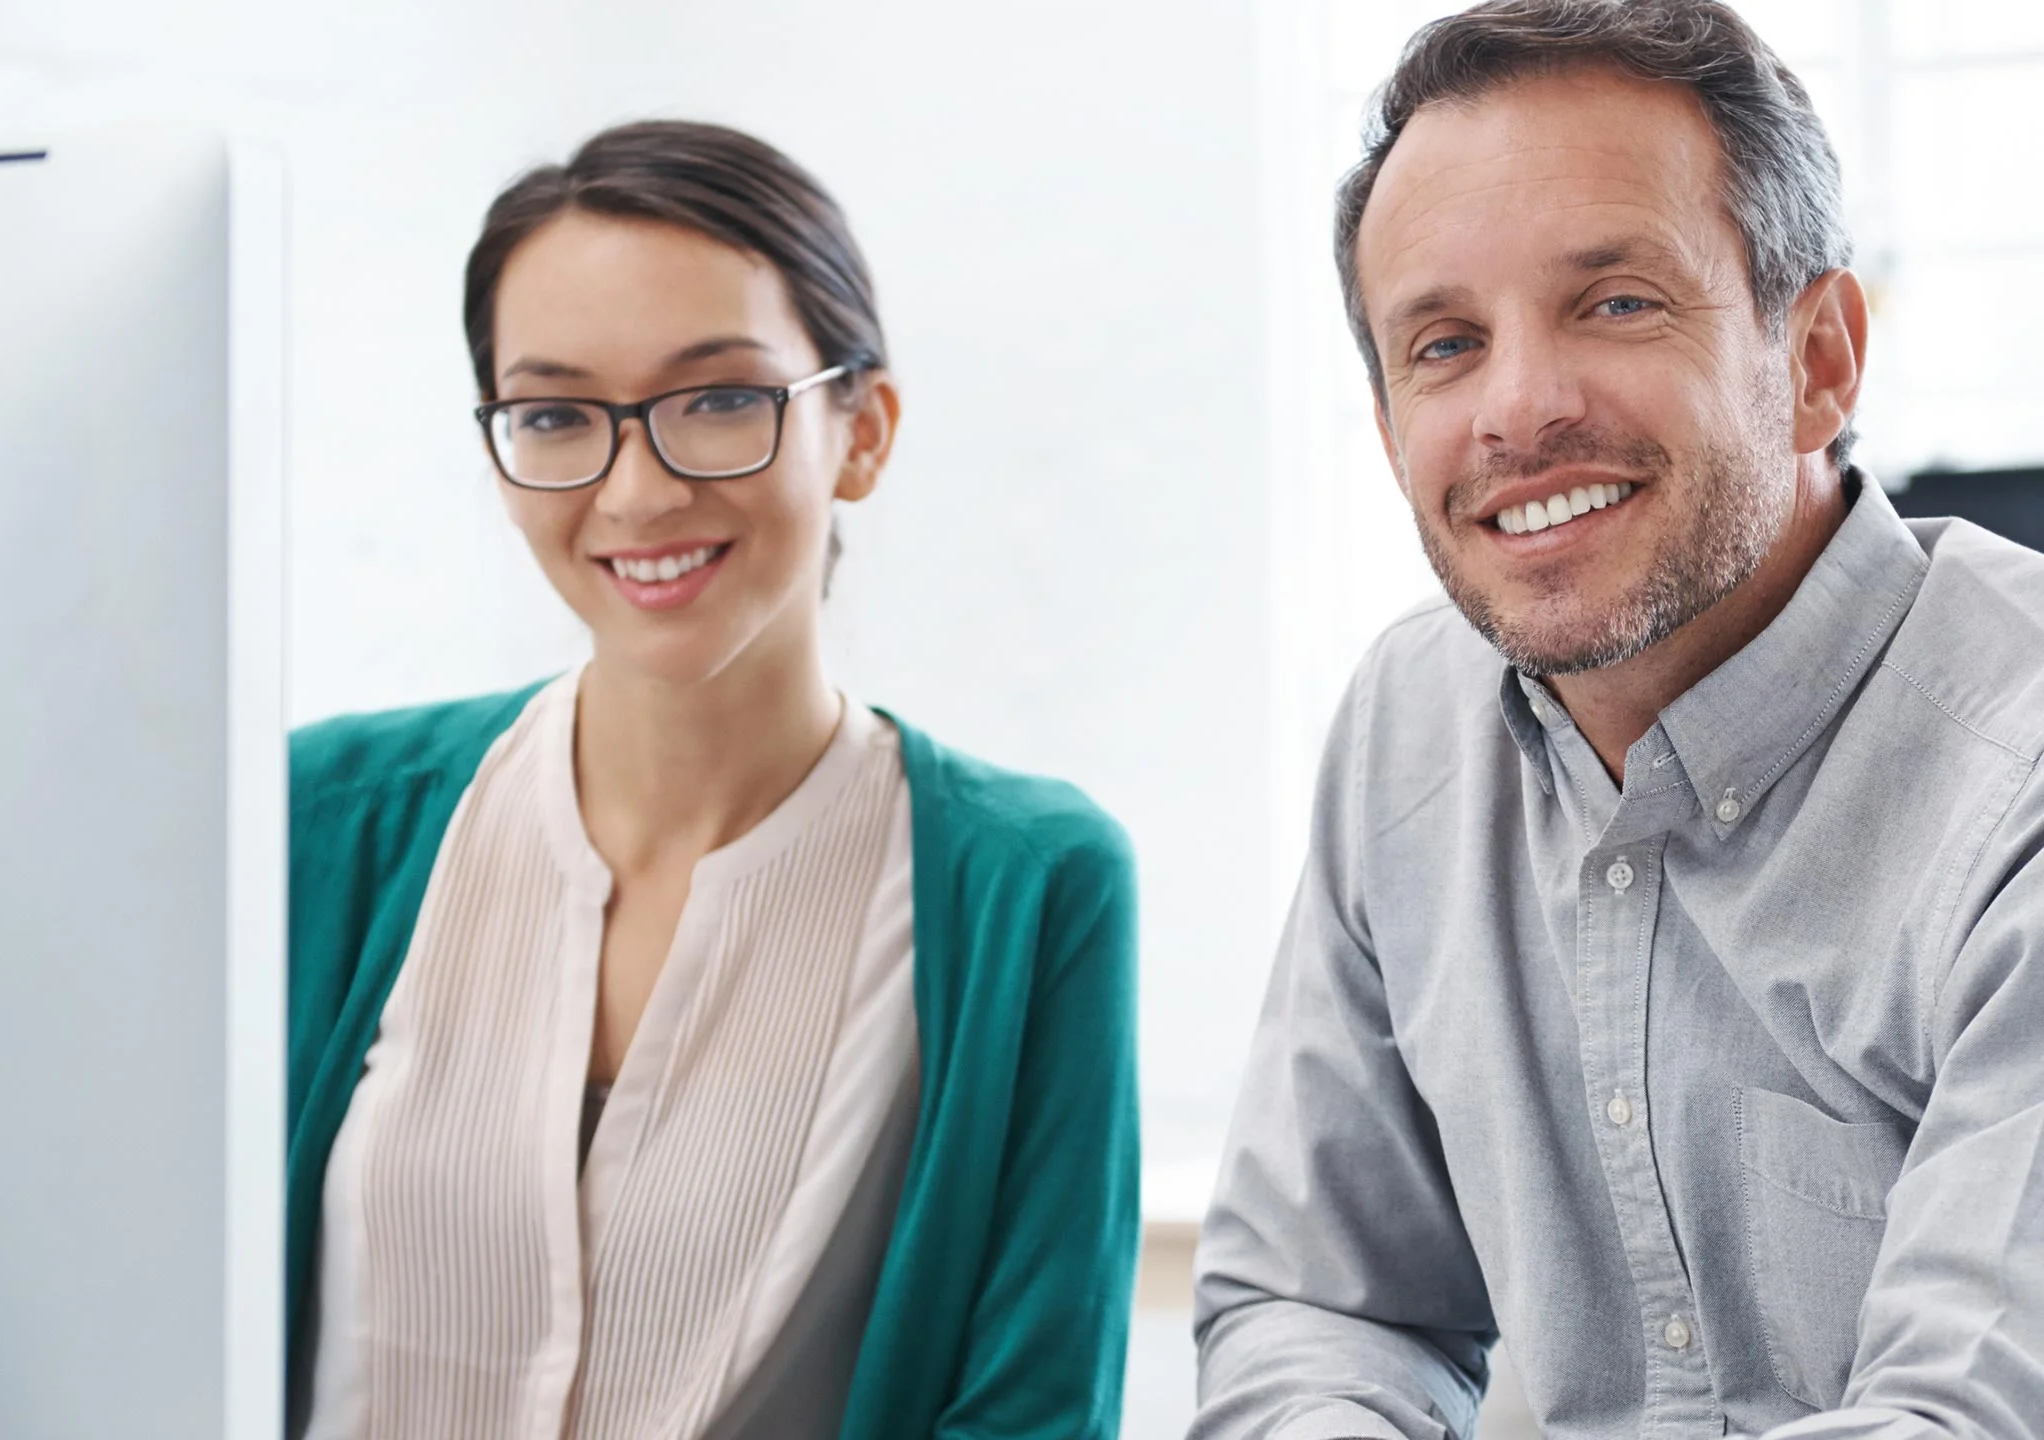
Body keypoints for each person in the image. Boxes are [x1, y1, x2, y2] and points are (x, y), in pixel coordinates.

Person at [1191, 2, 2044, 1437]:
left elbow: (1970, 1415)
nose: (1519, 410)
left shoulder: (2014, 770)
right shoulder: (1410, 724)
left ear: (1821, 359)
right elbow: (1321, 1305)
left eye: (1617, 302)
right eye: (1445, 343)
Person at [284, 120, 1139, 1440]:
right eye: (558, 416)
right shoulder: (318, 822)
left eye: (720, 399)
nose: (634, 491)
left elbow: (1029, 1409)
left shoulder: (1028, 887)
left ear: (862, 431)